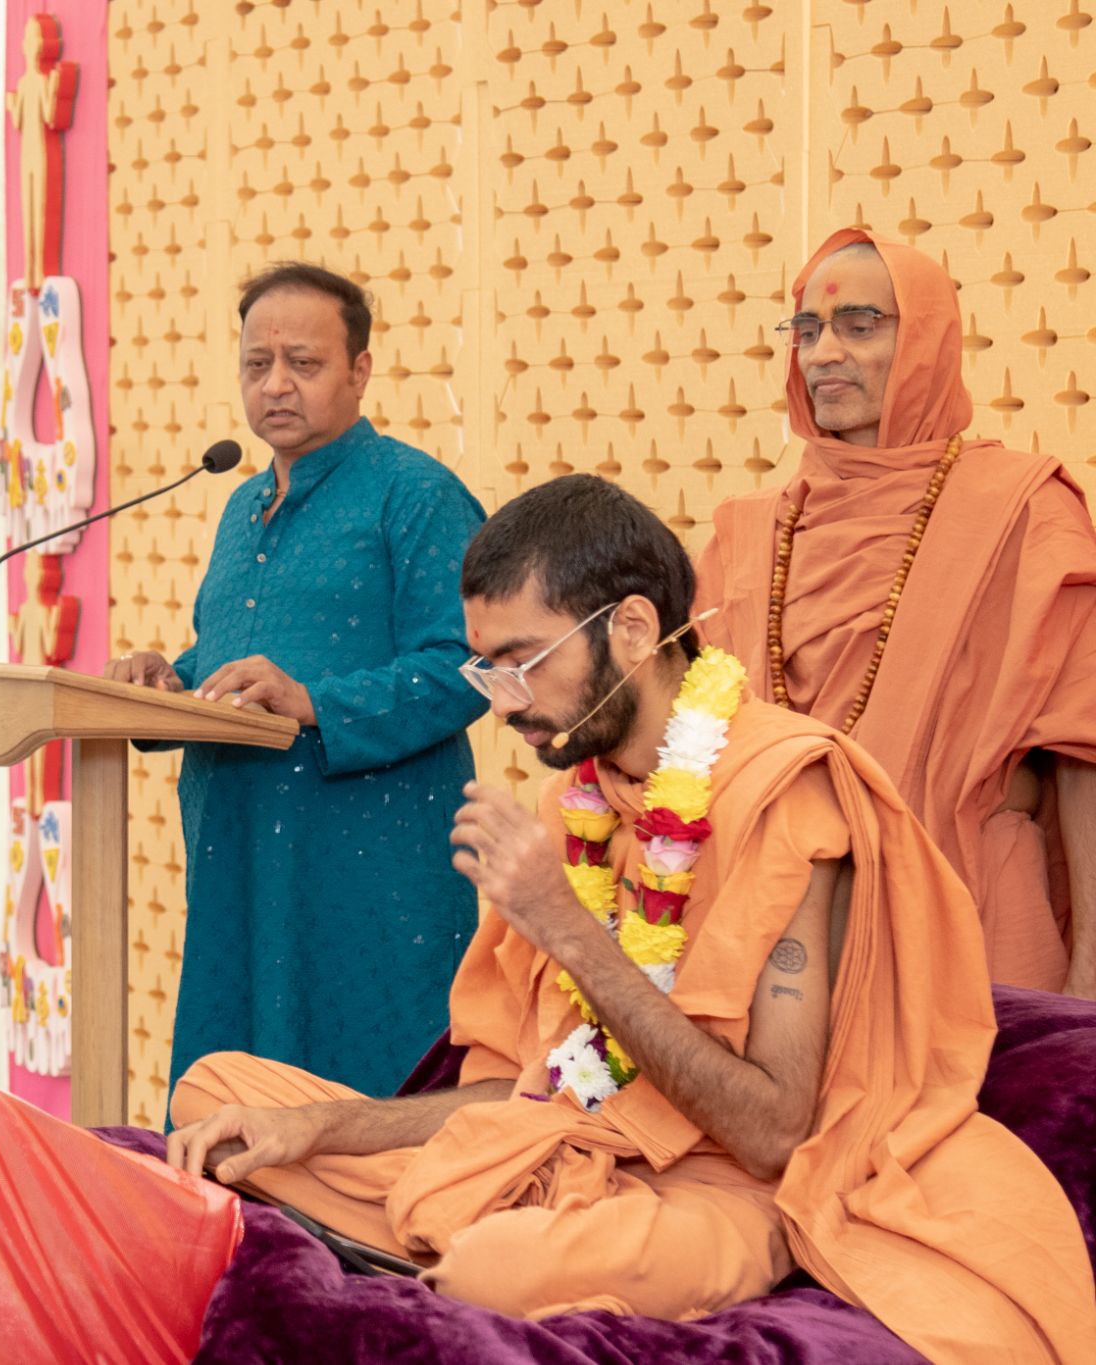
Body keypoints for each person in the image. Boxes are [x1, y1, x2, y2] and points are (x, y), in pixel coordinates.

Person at [165, 477, 1094, 1362]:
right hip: (568, 1139)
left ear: (636, 630)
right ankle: (429, 1229)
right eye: (485, 669)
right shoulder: (584, 798)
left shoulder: (787, 793)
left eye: (525, 662)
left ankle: (450, 1245)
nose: (507, 702)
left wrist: (564, 925)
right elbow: (537, 1090)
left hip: (729, 1186)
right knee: (217, 1094)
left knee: (496, 1266)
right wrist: (319, 1129)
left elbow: (772, 1130)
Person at [106, 263, 486, 1097]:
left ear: (360, 370)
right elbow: (234, 655)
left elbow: (474, 664)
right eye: (255, 364)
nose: (275, 384)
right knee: (237, 1092)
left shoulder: (415, 493)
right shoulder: (241, 504)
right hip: (240, 859)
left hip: (367, 871)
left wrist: (317, 705)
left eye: (303, 364)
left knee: (369, 1103)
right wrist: (167, 681)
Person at [696, 229, 1096, 999]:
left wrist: (1088, 983)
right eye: (807, 330)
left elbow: (1082, 756)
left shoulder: (1023, 512)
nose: (822, 355)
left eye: (860, 326)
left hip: (971, 925)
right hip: (784, 933)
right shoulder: (746, 533)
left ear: (927, 342)